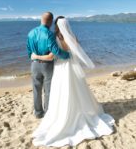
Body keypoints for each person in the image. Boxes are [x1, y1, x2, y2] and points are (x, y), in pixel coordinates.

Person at [32, 16, 115, 147]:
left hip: (60, 67)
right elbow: (75, 50)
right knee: (77, 89)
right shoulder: (72, 36)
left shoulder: (53, 37)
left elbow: (52, 55)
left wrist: (36, 56)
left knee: (61, 91)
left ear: (56, 25)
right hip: (71, 66)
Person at [27, 12, 70, 119]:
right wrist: (67, 55)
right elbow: (55, 51)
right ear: (51, 21)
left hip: (34, 65)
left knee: (36, 89)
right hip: (47, 66)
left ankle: (38, 113)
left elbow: (29, 52)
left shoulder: (31, 33)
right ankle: (47, 112)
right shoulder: (49, 34)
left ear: (41, 19)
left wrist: (34, 57)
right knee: (48, 90)